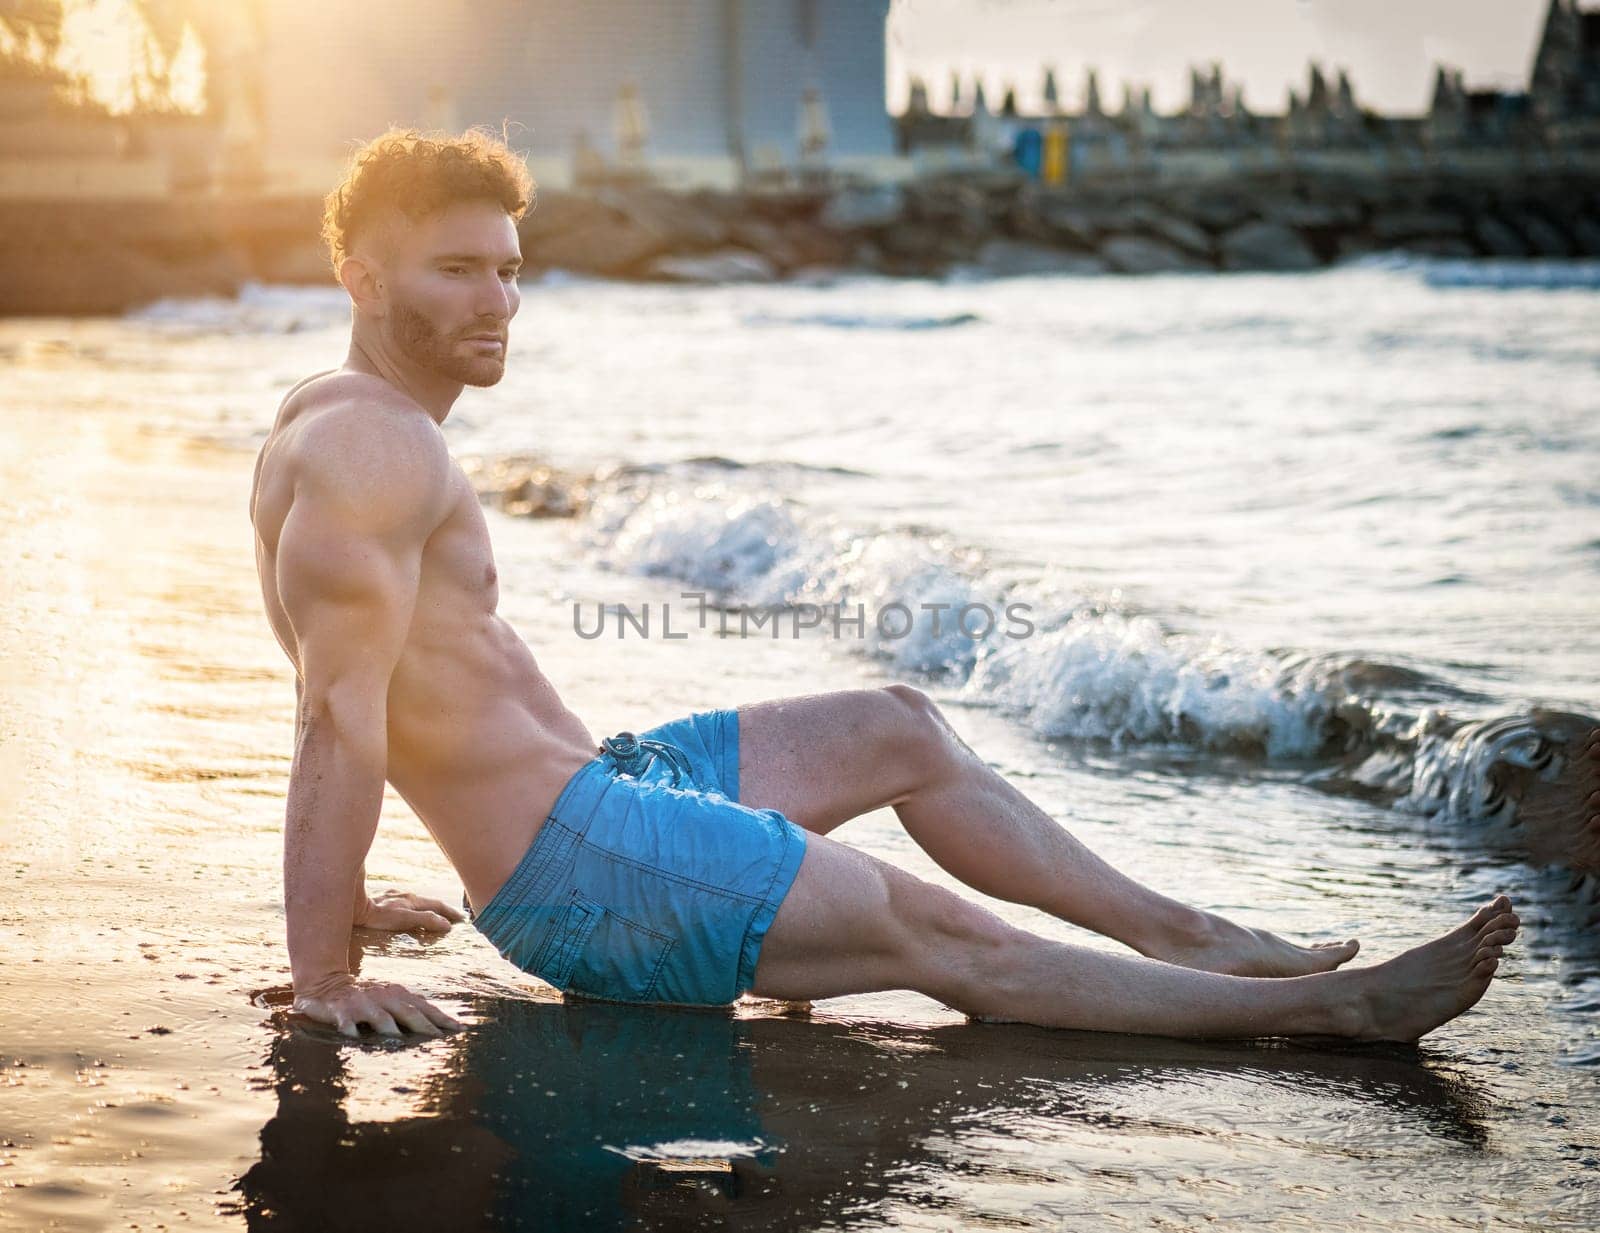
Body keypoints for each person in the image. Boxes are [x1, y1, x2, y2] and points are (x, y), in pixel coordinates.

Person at [248, 128, 1537, 1045]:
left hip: (601, 799)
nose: (502, 301)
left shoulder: (334, 421)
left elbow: (376, 683)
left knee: (901, 727)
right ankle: (1323, 1012)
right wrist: (324, 968)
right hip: (586, 873)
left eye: (511, 266)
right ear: (362, 278)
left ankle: (1187, 933)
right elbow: (337, 715)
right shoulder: (374, 444)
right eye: (458, 271)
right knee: (943, 938)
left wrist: (349, 892)